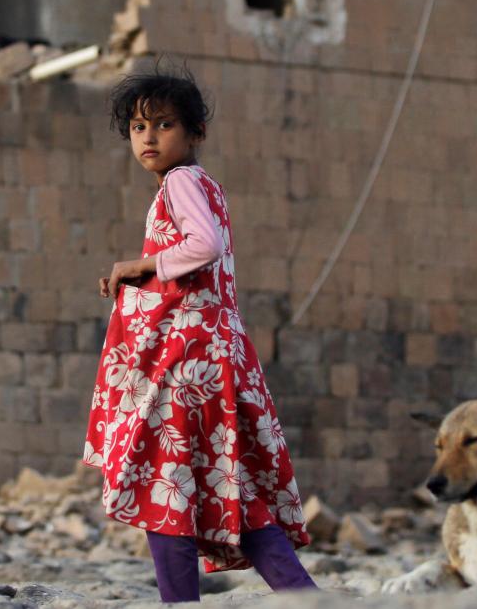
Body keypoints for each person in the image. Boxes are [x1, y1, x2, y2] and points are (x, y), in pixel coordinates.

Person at [82, 64, 316, 603]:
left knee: (165, 480)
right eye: (139, 128)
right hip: (213, 356)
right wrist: (139, 276)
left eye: (163, 125)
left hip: (188, 364)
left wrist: (141, 265)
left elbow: (203, 246)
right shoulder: (202, 185)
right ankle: (307, 597)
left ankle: (179, 602)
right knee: (224, 483)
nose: (148, 137)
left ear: (194, 134)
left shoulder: (182, 181)